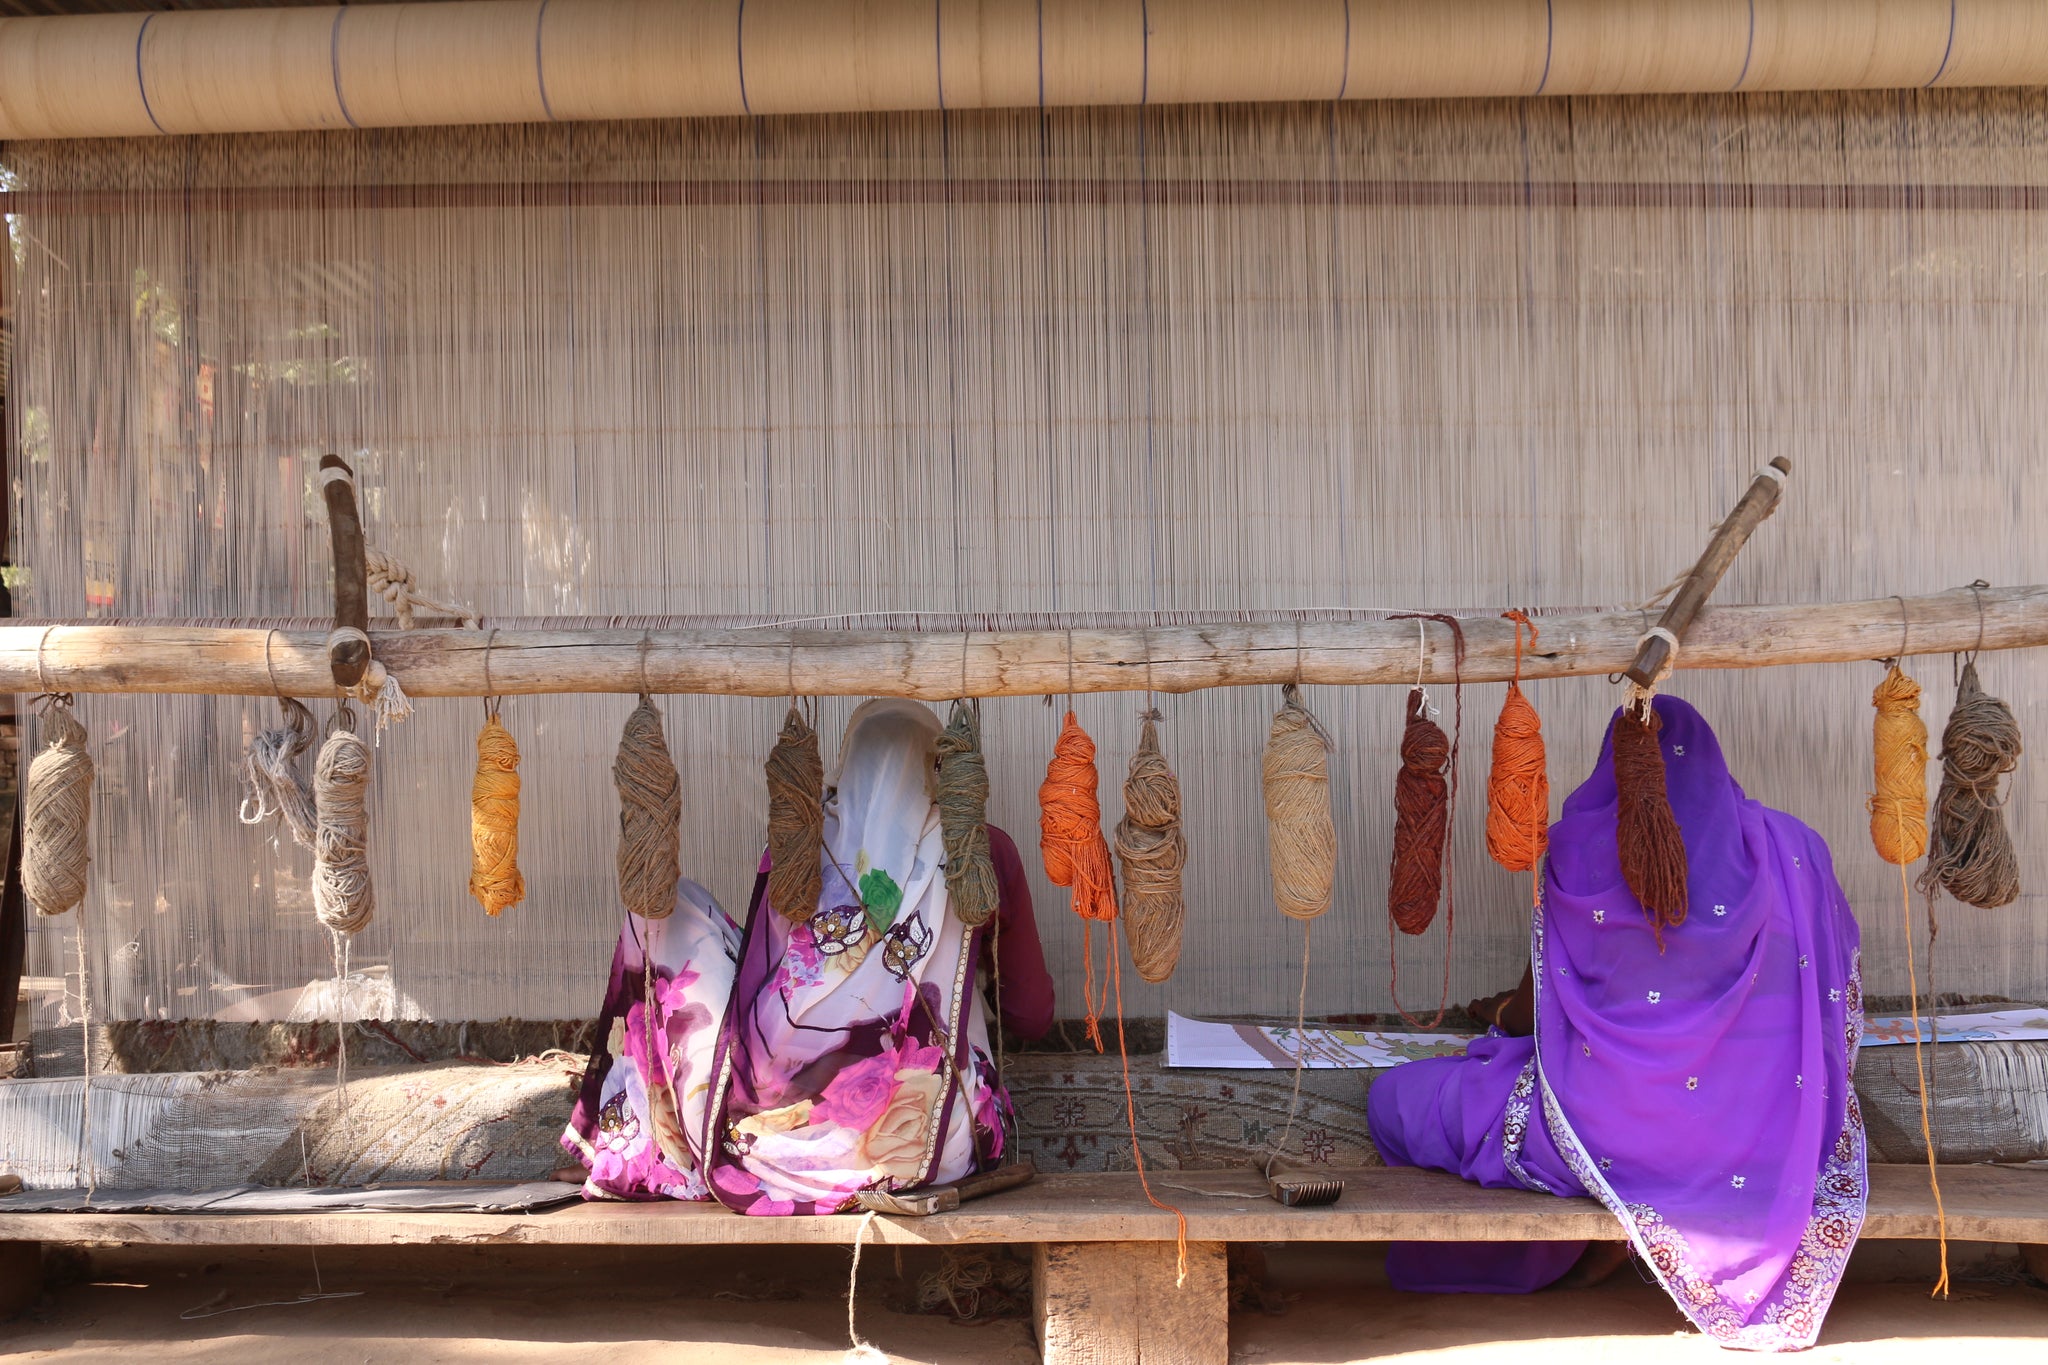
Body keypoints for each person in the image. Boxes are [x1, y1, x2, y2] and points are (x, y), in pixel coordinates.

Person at [1367, 695, 1867, 1350]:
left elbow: (1533, 1016)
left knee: (1394, 1100)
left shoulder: (1581, 851)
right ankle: (1634, 1233)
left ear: (1614, 768)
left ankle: (1602, 1235)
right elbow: (1838, 1011)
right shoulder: (1794, 848)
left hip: (1599, 1133)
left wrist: (1495, 1018)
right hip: (1768, 1139)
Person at [562, 698, 1053, 1213]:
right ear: (942, 773)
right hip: (931, 1143)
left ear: (843, 765)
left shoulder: (799, 845)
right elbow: (1031, 1016)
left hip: (766, 1142)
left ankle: (624, 1144)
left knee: (668, 912)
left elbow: (755, 975)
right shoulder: (981, 852)